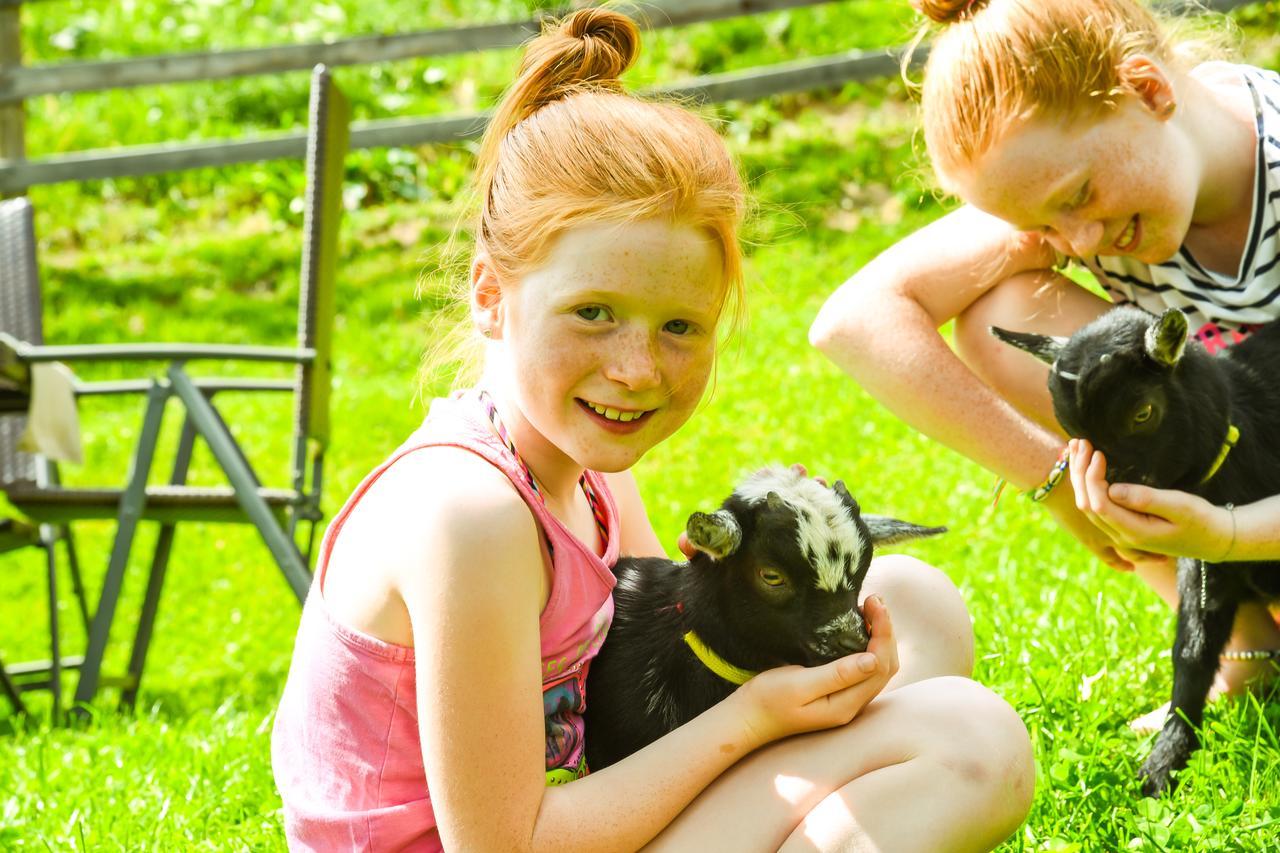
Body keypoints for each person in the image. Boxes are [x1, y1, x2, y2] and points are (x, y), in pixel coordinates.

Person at [271, 8, 1033, 851]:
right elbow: (502, 844)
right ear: (491, 294)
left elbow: (661, 656)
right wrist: (753, 719)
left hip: (595, 809)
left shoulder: (586, 466)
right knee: (972, 742)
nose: (637, 368)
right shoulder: (469, 515)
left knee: (917, 602)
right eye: (593, 312)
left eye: (680, 326)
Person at [810, 0, 1280, 712]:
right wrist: (1059, 482)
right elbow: (852, 321)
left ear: (1149, 90)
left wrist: (1233, 532)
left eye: (1078, 197)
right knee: (1002, 316)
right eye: (1043, 225)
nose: (1082, 242)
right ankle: (1244, 641)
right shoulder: (1089, 191)